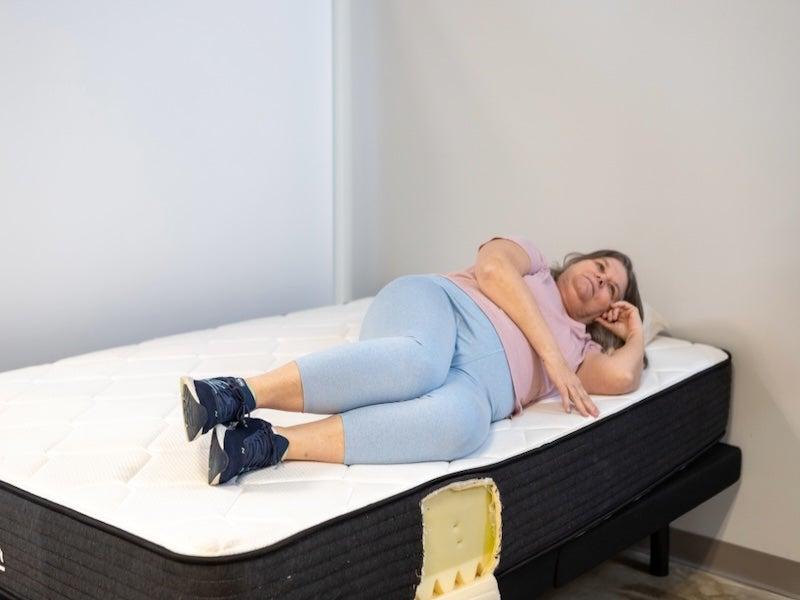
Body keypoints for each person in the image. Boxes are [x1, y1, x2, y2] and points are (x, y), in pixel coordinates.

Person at [180, 235, 647, 485]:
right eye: (600, 267)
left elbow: (624, 375)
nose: (601, 281)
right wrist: (554, 361)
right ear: (581, 259)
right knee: (419, 364)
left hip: (470, 385)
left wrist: (635, 331)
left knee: (465, 428)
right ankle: (236, 392)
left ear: (606, 312)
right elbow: (491, 268)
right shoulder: (536, 263)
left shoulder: (582, 351)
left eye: (613, 289)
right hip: (436, 308)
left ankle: (265, 443)